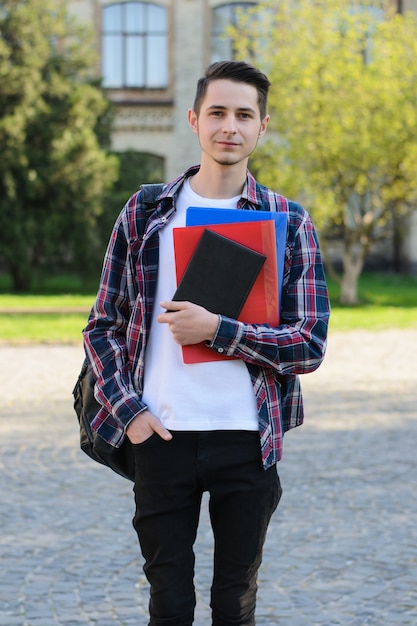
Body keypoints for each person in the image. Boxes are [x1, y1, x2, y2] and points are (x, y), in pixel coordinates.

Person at [83, 60, 330, 626]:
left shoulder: (288, 222)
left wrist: (219, 330)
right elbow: (103, 325)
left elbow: (309, 344)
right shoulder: (147, 211)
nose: (230, 126)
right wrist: (132, 416)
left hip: (247, 437)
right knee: (168, 605)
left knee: (233, 604)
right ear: (195, 120)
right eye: (217, 112)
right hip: (161, 434)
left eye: (244, 115)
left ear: (261, 127)